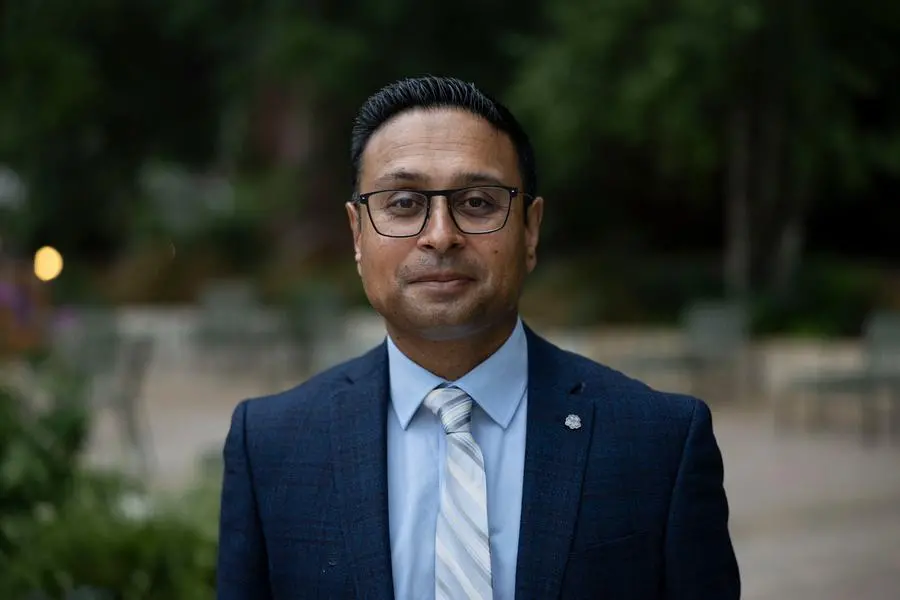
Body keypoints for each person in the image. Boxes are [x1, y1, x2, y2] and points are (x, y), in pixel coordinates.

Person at [216, 76, 741, 600]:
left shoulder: (659, 443)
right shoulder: (272, 445)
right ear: (358, 234)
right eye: (404, 203)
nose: (440, 235)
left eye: (476, 202)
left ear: (530, 230)